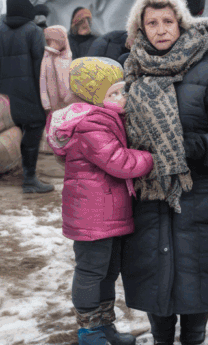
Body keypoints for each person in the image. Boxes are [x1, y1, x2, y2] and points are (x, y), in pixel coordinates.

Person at [119, 0, 208, 345]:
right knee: (154, 281)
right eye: (152, 23)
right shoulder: (130, 71)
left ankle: (195, 336)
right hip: (148, 197)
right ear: (140, 29)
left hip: (200, 195)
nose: (161, 29)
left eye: (168, 21)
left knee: (196, 282)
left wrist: (199, 146)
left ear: (182, 23)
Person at [46, 57, 153, 345]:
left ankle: (106, 326)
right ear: (93, 96)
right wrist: (152, 158)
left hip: (107, 210)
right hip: (93, 214)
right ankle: (89, 331)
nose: (122, 98)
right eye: (113, 93)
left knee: (108, 272)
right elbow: (118, 162)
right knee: (91, 271)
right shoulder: (91, 123)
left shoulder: (106, 117)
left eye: (122, 91)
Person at [0, 0, 53, 193]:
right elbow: (41, 67)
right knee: (34, 130)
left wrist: (3, 83)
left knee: (16, 132)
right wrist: (44, 93)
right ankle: (29, 179)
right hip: (31, 94)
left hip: (7, 97)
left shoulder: (0, 34)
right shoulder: (34, 31)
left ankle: (19, 171)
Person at [39, 25, 79, 113]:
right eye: (49, 41)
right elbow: (42, 80)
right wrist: (46, 103)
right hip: (53, 102)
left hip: (69, 101)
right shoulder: (47, 57)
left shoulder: (68, 56)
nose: (51, 44)